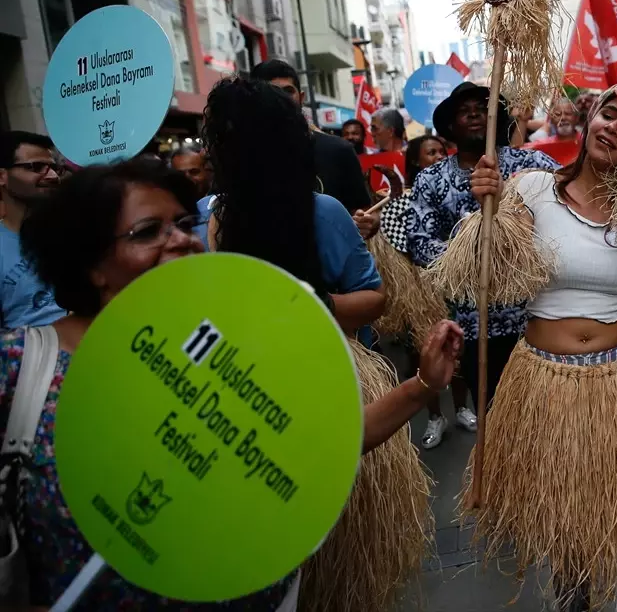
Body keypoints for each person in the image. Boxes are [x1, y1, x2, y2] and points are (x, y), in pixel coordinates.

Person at [8, 157, 462, 609]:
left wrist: (422, 384)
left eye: (183, 224)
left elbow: (332, 438)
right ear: (90, 263)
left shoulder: (220, 340)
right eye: (149, 232)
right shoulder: (22, 366)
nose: (182, 241)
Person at [442, 83, 617, 612]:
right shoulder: (531, 187)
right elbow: (493, 276)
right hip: (548, 385)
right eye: (608, 115)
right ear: (589, 119)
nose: (612, 128)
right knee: (575, 550)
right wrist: (489, 213)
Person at [406, 82, 558, 412]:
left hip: (536, 319)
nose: (475, 114)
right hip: (476, 325)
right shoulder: (430, 180)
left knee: (544, 414)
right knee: (495, 415)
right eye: (465, 111)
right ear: (449, 127)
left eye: (483, 109)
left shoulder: (531, 164)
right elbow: (420, 244)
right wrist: (469, 254)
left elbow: (568, 208)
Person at [199, 78, 386, 332]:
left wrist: (312, 304)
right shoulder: (198, 217)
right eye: (219, 138)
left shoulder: (322, 213)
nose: (210, 152)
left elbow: (375, 298)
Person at [376, 133, 476, 450]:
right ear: (416, 161)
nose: (436, 157)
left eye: (441, 151)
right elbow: (401, 247)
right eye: (429, 152)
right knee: (426, 353)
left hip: (454, 285)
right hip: (421, 292)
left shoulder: (457, 193)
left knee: (458, 350)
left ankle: (461, 408)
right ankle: (436, 416)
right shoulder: (401, 203)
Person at [248, 60, 374, 220]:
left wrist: (370, 222)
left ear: (301, 98)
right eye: (272, 92)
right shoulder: (240, 156)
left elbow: (364, 212)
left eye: (288, 91)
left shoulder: (338, 151)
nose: (282, 99)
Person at [0, 132, 64, 329]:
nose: (52, 176)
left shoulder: (77, 229)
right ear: (2, 176)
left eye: (55, 168)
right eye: (36, 167)